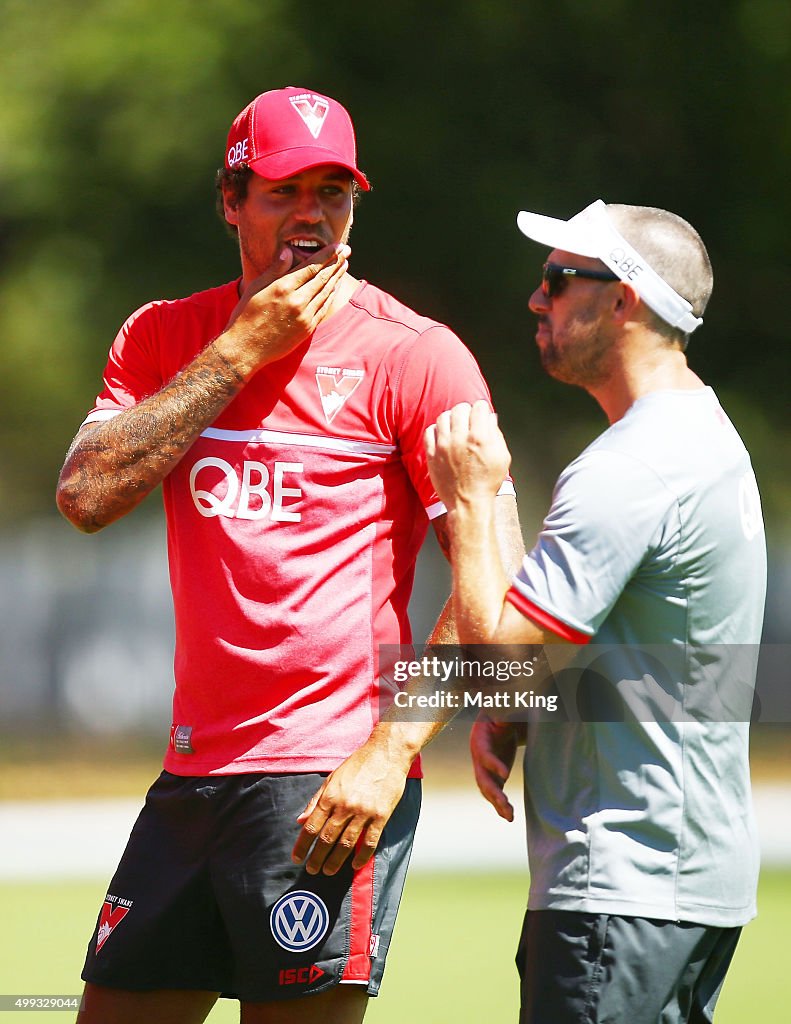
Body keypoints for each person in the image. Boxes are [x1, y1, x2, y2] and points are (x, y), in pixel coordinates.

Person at [56, 86, 522, 1024]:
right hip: (192, 775)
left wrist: (391, 751)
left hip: (329, 782)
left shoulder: (416, 356)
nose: (311, 214)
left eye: (333, 192)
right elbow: (86, 498)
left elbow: (503, 591)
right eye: (282, 191)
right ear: (231, 201)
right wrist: (239, 351)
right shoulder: (163, 337)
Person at [424, 200, 767, 1023]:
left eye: (556, 279)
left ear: (623, 300)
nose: (536, 300)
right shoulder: (701, 436)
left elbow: (502, 670)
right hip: (679, 888)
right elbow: (651, 664)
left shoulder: (632, 465)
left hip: (621, 886)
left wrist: (469, 504)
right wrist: (520, 719)